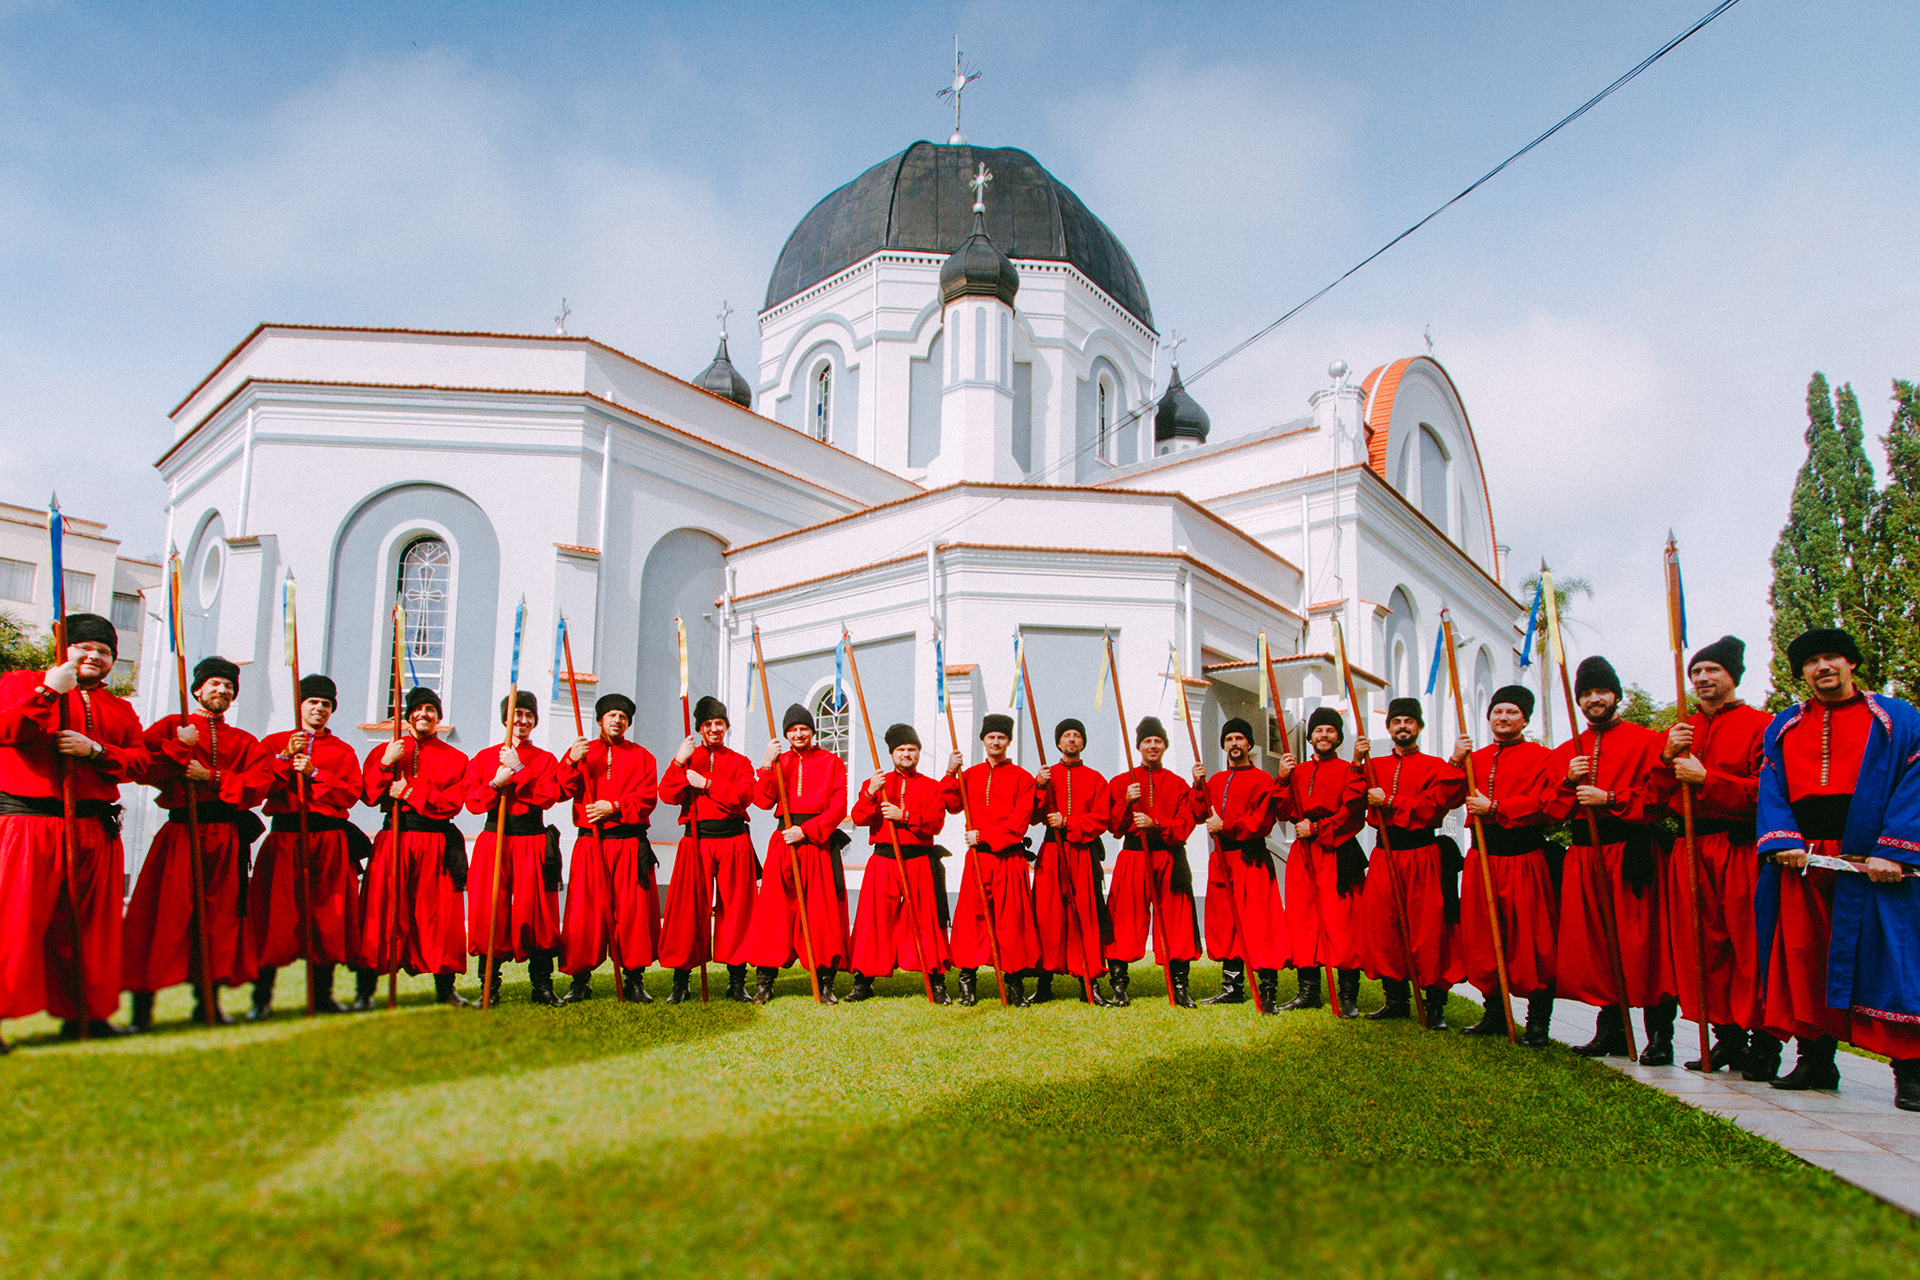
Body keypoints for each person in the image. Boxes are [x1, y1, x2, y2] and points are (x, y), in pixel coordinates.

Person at [1756, 628, 1920, 1109]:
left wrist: (1896, 849)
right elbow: (1772, 787)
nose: (1822, 667)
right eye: (1811, 662)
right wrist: (1783, 840)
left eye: (1831, 658)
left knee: (1890, 959)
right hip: (1805, 860)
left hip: (1874, 859)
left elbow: (1916, 779)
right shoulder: (1783, 725)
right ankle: (1815, 1060)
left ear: (1851, 664)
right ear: (1801, 673)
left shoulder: (1897, 717)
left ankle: (1910, 1071)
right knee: (1806, 955)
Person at [0, 613, 147, 1042]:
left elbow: (140, 762)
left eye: (104, 651)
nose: (94, 656)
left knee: (89, 929)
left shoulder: (119, 708)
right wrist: (48, 691)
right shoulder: (20, 683)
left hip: (92, 829)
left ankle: (86, 1014)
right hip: (30, 824)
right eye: (85, 647)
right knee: (12, 923)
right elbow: (7, 730)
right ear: (65, 648)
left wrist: (97, 751)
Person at [124, 656, 273, 1030]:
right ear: (197, 690)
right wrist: (178, 747)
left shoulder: (244, 741)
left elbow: (259, 785)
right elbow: (142, 766)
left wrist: (213, 777)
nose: (221, 691)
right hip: (181, 833)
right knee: (163, 915)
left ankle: (208, 1003)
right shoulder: (173, 726)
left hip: (224, 838)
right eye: (214, 684)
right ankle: (143, 1009)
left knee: (220, 921)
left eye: (228, 687)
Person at [1546, 656, 1678, 1062]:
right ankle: (1613, 1030)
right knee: (1599, 944)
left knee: (1644, 944)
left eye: (1601, 691)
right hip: (1585, 854)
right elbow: (1550, 811)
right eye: (1585, 693)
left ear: (1616, 695)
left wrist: (1613, 799)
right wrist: (1568, 781)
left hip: (1632, 852)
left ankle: (1659, 1035)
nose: (1593, 699)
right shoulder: (1570, 750)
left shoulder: (1647, 741)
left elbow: (1662, 798)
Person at [1655, 635, 1775, 1076]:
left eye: (1712, 671)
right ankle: (1726, 1037)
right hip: (1690, 847)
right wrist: (1666, 757)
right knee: (1702, 945)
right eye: (1696, 672)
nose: (1702, 678)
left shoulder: (1763, 724)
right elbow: (1655, 796)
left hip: (1738, 845)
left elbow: (1770, 794)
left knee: (1749, 945)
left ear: (1732, 677)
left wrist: (1709, 779)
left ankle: (1763, 1042)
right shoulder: (1680, 730)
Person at [249, 674, 369, 1018]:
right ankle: (261, 999)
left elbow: (351, 793)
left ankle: (322, 996)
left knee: (326, 918)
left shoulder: (343, 751)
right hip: (286, 838)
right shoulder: (274, 742)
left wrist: (316, 773)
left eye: (326, 704)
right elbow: (259, 787)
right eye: (313, 702)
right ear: (300, 704)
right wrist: (285, 758)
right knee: (276, 916)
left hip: (328, 840)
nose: (319, 709)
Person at [1455, 684, 1559, 1045]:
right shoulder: (1475, 758)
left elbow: (1548, 804)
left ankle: (1537, 1021)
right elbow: (1449, 794)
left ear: (1525, 718)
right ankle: (1495, 1013)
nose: (1503, 717)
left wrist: (1497, 809)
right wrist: (1455, 761)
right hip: (1483, 858)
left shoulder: (1543, 757)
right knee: (1484, 936)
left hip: (1524, 857)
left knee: (1532, 939)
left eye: (1511, 712)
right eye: (1497, 711)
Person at [1358, 698, 1467, 1028]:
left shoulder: (1435, 765)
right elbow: (1351, 798)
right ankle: (1396, 999)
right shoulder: (1373, 764)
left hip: (1422, 854)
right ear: (1389, 727)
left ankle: (1434, 1004)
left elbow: (1434, 808)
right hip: (1385, 855)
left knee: (1427, 928)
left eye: (1408, 721)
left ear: (1418, 726)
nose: (1402, 726)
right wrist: (1354, 760)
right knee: (1384, 924)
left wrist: (1389, 801)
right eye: (1396, 721)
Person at [359, 686, 470, 1008]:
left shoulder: (456, 758)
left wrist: (411, 794)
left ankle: (445, 988)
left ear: (438, 718)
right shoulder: (389, 750)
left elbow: (452, 803)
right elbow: (368, 794)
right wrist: (384, 763)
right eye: (418, 709)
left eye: (430, 710)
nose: (424, 714)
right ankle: (366, 991)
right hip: (394, 837)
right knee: (383, 909)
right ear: (408, 717)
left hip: (435, 842)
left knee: (438, 915)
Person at [555, 693, 660, 1004]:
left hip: (628, 842)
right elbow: (560, 790)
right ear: (600, 719)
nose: (617, 720)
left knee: (632, 912)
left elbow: (647, 798)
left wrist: (614, 806)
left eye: (623, 716)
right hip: (592, 843)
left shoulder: (643, 756)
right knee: (584, 911)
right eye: (612, 714)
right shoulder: (583, 752)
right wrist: (571, 760)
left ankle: (634, 979)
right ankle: (580, 980)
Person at [744, 703, 851, 1003]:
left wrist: (807, 830)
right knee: (774, 912)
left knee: (820, 915)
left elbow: (838, 806)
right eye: (793, 730)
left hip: (817, 842)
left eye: (804, 728)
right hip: (784, 842)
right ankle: (765, 982)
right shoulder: (780, 762)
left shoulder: (832, 762)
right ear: (786, 734)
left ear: (813, 731)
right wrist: (766, 764)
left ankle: (824, 981)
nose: (799, 734)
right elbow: (763, 801)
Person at [465, 690, 565, 1007]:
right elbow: (472, 803)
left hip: (531, 840)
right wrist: (496, 781)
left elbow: (548, 796)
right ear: (505, 719)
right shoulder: (483, 758)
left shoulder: (545, 759)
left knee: (535, 911)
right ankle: (489, 987)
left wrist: (520, 769)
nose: (522, 721)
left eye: (528, 715)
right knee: (491, 909)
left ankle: (542, 986)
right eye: (516, 714)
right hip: (495, 839)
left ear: (534, 721)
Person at [658, 696, 759, 1004]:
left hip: (733, 841)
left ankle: (736, 980)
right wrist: (678, 761)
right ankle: (681, 980)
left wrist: (707, 784)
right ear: (700, 730)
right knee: (688, 909)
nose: (714, 729)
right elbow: (666, 795)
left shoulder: (740, 762)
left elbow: (744, 796)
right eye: (708, 725)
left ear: (726, 727)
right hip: (696, 841)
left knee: (736, 910)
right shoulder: (688, 759)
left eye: (719, 724)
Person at [1097, 717, 1200, 1008]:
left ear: (1164, 746)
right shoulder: (1121, 783)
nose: (1152, 746)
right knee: (1124, 918)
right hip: (1133, 857)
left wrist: (1155, 823)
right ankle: (1119, 986)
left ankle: (1179, 986)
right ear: (1139, 746)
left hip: (1169, 857)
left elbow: (1184, 825)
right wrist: (1127, 802)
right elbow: (1114, 827)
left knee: (1176, 921)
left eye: (1158, 741)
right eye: (1147, 741)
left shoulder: (1178, 785)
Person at [846, 723, 952, 1002]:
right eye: (901, 750)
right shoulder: (878, 783)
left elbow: (935, 824)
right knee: (873, 920)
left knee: (926, 921)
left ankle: (936, 979)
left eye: (912, 750)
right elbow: (858, 818)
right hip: (884, 860)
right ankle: (863, 980)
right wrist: (870, 792)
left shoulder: (931, 787)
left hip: (918, 861)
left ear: (918, 753)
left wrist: (903, 815)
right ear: (892, 753)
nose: (907, 754)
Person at [943, 713, 1043, 1006]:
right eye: (991, 737)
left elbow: (1019, 822)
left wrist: (983, 835)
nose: (996, 742)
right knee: (971, 920)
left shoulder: (1022, 779)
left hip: (1008, 859)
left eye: (1001, 737)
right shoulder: (969, 774)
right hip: (978, 860)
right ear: (983, 741)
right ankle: (967, 983)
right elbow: (950, 805)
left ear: (1008, 742)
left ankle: (1014, 985)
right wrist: (950, 773)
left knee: (1011, 922)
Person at [1192, 717, 1288, 1012]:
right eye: (1229, 739)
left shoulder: (1262, 780)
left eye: (1239, 738)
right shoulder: (1216, 780)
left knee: (1261, 924)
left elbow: (1262, 822)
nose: (1234, 744)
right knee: (1227, 924)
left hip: (1251, 858)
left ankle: (1268, 990)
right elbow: (1198, 814)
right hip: (1223, 860)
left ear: (1249, 744)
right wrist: (1197, 786)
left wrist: (1227, 825)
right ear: (1224, 745)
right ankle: (1232, 987)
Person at [1280, 707, 1367, 1016]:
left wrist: (1318, 828)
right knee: (1303, 920)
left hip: (1335, 850)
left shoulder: (1348, 770)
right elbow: (1282, 809)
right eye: (1319, 730)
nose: (1324, 735)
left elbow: (1354, 812)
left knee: (1341, 923)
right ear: (1311, 735)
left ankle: (1347, 997)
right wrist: (1282, 778)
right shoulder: (1299, 771)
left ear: (1339, 736)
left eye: (1330, 730)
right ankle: (1309, 991)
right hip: (1304, 854)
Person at [1030, 718, 1112, 1005]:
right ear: (1058, 743)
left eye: (1077, 735)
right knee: (1048, 916)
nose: (1072, 740)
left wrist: (1068, 821)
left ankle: (1088, 982)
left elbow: (1102, 818)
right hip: (1052, 853)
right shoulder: (1046, 775)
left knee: (1086, 916)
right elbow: (1031, 816)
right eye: (1066, 735)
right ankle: (1044, 983)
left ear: (1083, 742)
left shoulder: (1096, 779)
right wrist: (1039, 788)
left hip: (1081, 852)